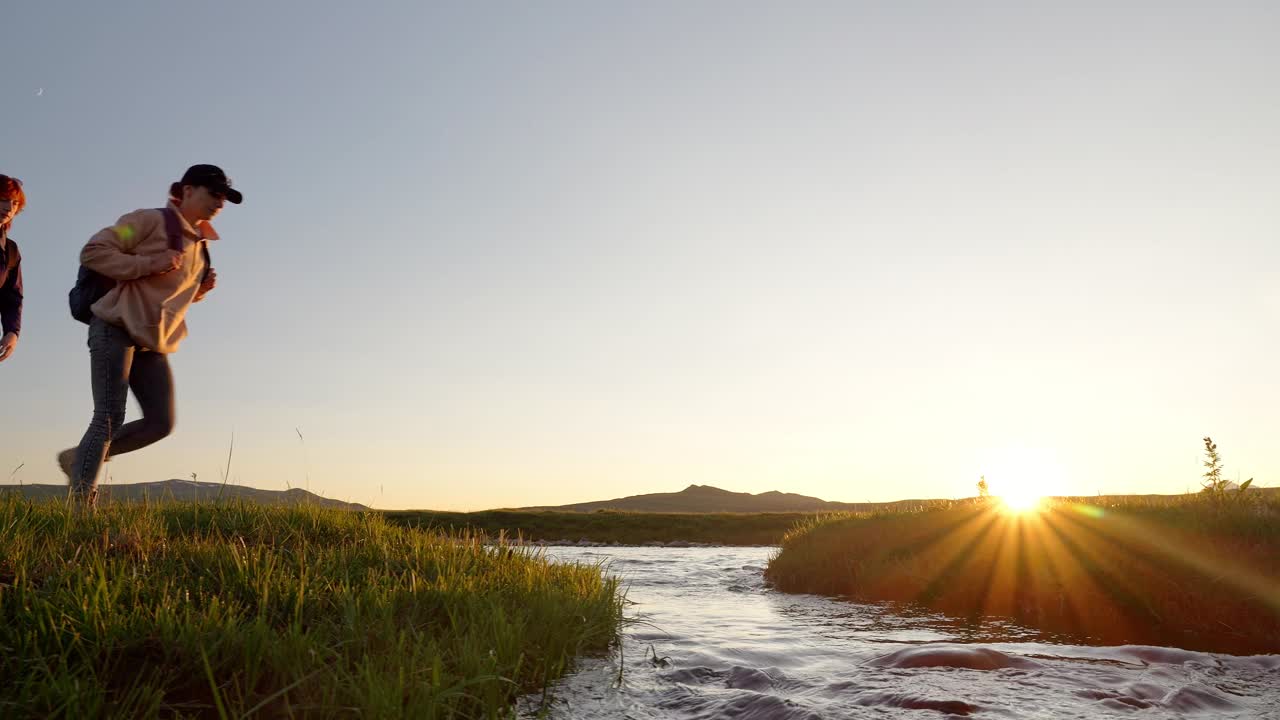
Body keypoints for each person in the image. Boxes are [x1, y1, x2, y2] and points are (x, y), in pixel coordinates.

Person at [59, 165, 243, 506]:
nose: (220, 202)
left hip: (152, 343)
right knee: (109, 416)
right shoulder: (147, 221)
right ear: (187, 191)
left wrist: (199, 291)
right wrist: (150, 263)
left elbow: (163, 295)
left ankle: (78, 459)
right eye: (213, 192)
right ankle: (81, 505)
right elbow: (95, 252)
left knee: (161, 423)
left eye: (224, 197)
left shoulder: (200, 247)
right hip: (115, 326)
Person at [0, 175, 26, 363]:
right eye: (3, 200)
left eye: (14, 203)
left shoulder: (10, 250)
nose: (9, 208)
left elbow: (12, 297)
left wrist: (12, 331)